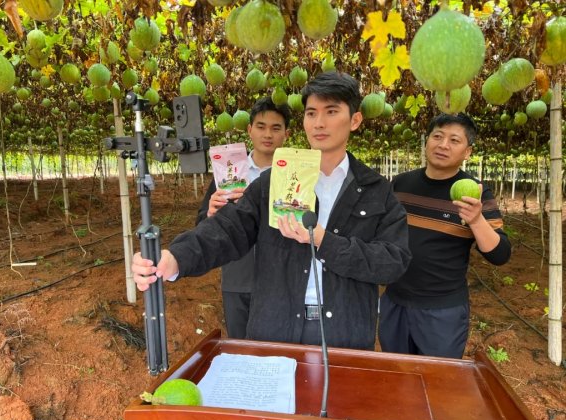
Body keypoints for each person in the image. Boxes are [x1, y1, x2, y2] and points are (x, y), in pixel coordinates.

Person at [132, 72, 411, 350]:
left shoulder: (376, 190)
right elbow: (228, 228)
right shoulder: (274, 181)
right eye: (311, 113)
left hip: (345, 333)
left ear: (355, 120)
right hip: (277, 329)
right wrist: (176, 258)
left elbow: (393, 261)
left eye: (331, 111)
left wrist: (325, 241)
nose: (319, 123)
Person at [378, 113, 511, 359]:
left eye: (454, 140)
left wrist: (476, 220)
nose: (443, 145)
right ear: (427, 141)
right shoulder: (400, 185)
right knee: (397, 373)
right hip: (395, 301)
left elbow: (500, 254)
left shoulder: (475, 192)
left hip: (442, 311)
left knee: (437, 377)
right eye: (437, 136)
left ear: (467, 152)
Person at [196, 97, 291, 339]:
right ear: (249, 130)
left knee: (279, 348)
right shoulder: (229, 173)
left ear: (286, 134)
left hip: (283, 279)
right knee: (240, 344)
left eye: (276, 128)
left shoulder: (293, 175)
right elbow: (202, 224)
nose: (267, 134)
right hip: (238, 276)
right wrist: (210, 214)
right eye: (261, 126)